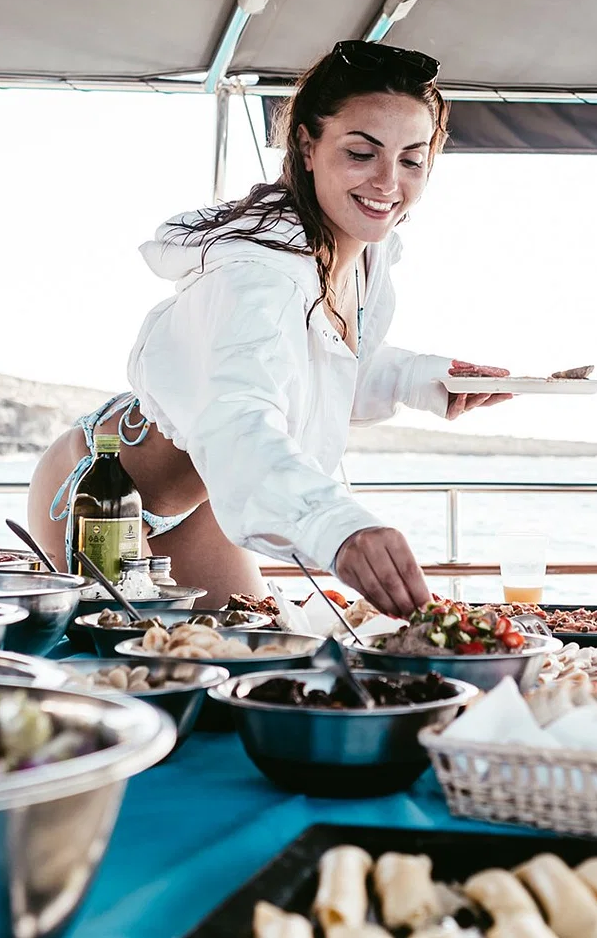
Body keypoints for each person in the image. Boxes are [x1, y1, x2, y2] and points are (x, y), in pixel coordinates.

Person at [26, 40, 509, 615]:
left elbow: (317, 366)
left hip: (206, 497)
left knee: (256, 640)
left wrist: (425, 380)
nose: (387, 182)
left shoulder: (368, 259)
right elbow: (238, 421)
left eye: (411, 160)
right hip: (103, 491)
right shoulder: (258, 277)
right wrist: (338, 527)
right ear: (306, 146)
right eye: (361, 153)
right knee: (138, 658)